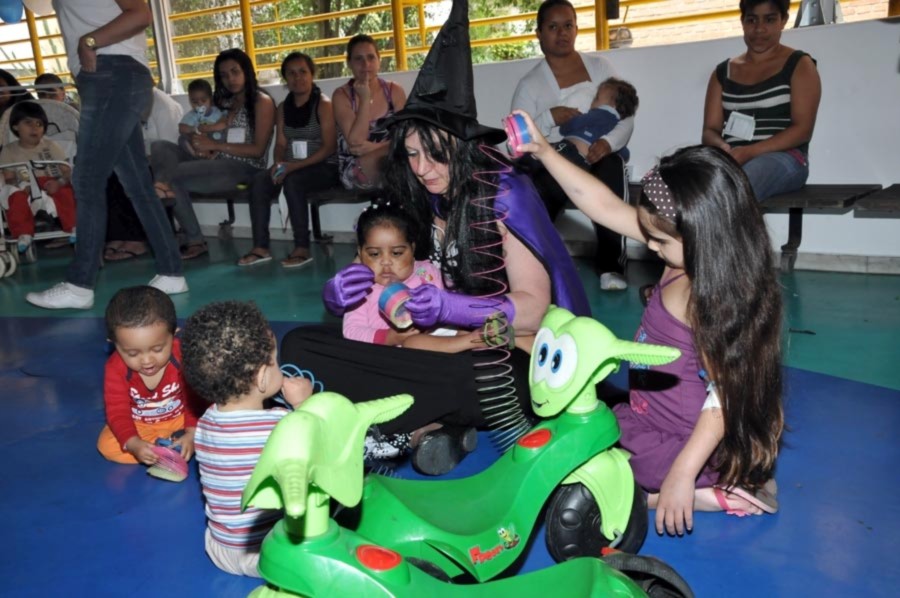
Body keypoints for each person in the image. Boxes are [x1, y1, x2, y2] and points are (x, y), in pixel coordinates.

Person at [282, 0, 589, 476]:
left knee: (479, 377)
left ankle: (392, 427)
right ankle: (425, 426)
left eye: (435, 154)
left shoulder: (505, 193)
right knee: (300, 345)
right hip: (425, 348)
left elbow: (532, 309)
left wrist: (454, 310)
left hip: (509, 354)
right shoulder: (417, 192)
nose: (423, 169)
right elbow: (383, 271)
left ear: (462, 147)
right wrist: (340, 291)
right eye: (411, 155)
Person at [513, 109, 784, 536]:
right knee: (579, 419)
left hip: (684, 440)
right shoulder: (683, 253)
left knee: (596, 459)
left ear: (704, 236)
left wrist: (682, 473)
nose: (650, 247)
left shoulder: (709, 296)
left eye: (659, 240)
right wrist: (545, 151)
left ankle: (689, 493)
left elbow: (727, 395)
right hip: (647, 412)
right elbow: (603, 205)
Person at [26, 0, 187, 310]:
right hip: (105, 77)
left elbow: (140, 13)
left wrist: (89, 42)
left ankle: (79, 285)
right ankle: (171, 272)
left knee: (87, 179)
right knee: (137, 184)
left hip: (113, 72)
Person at [182, 300, 313, 577]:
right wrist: (304, 406)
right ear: (263, 377)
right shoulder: (281, 424)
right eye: (275, 361)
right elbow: (319, 448)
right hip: (271, 552)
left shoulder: (204, 424)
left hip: (221, 548)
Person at [511, 0, 635, 291]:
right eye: (553, 27)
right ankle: (535, 267)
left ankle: (611, 266)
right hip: (556, 157)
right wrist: (549, 118)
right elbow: (516, 143)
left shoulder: (600, 67)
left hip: (598, 152)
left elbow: (626, 117)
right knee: (542, 182)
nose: (562, 33)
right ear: (539, 33)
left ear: (577, 29)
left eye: (568, 25)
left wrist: (607, 143)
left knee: (612, 165)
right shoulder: (529, 84)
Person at [150, 48, 276, 260]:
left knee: (174, 175)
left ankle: (192, 237)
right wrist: (197, 140)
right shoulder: (224, 103)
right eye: (224, 75)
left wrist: (217, 146)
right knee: (160, 147)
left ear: (246, 71)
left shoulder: (261, 101)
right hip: (212, 161)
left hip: (244, 169)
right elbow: (200, 130)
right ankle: (162, 186)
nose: (230, 79)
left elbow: (258, 151)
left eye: (235, 72)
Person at [702, 0, 821, 202]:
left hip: (785, 158)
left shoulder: (800, 64)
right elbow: (709, 130)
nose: (759, 29)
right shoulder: (723, 72)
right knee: (685, 182)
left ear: (783, 20)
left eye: (769, 19)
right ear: (742, 22)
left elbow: (803, 130)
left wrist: (748, 152)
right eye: (752, 20)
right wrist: (724, 149)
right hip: (733, 159)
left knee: (743, 183)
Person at [344, 199, 486, 353]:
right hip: (402, 349)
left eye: (396, 253)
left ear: (412, 249)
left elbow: (451, 302)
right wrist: (390, 337)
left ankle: (476, 338)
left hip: (440, 336)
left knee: (466, 319)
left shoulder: (426, 272)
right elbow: (351, 331)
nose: (386, 262)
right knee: (414, 342)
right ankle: (474, 341)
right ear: (360, 253)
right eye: (374, 254)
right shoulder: (362, 289)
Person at [240, 52, 339, 268]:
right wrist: (278, 164)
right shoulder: (283, 108)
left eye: (302, 71)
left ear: (312, 74)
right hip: (291, 167)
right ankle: (261, 247)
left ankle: (302, 247)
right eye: (291, 73)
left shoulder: (323, 104)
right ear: (286, 78)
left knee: (294, 181)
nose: (297, 77)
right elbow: (281, 144)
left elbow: (329, 147)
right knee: (259, 180)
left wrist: (293, 167)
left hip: (323, 167)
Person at [97, 286, 202, 465]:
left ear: (174, 334)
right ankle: (164, 447)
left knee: (219, 419)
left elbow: (195, 400)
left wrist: (192, 432)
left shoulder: (183, 355)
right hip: (141, 424)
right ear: (114, 343)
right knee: (107, 446)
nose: (146, 361)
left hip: (182, 417)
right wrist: (133, 443)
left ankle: (170, 445)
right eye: (132, 353)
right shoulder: (115, 368)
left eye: (157, 349)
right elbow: (117, 411)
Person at [105, 87, 185, 262]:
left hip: (166, 162)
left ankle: (136, 239)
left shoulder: (164, 107)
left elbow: (168, 148)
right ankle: (119, 235)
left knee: (131, 175)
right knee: (109, 172)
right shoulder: (128, 102)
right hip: (142, 158)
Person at [0, 101, 75, 255]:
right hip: (26, 188)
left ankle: (74, 226)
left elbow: (66, 172)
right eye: (28, 123)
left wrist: (59, 182)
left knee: (67, 191)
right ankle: (23, 233)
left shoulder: (51, 146)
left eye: (39, 124)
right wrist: (22, 187)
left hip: (51, 184)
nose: (35, 128)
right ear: (15, 126)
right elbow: (9, 178)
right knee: (14, 196)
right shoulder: (9, 150)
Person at [332, 34, 407, 189]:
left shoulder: (394, 91)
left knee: (405, 157)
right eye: (358, 59)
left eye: (371, 57)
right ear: (349, 63)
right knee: (391, 164)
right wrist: (365, 99)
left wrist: (374, 148)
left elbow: (407, 137)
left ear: (379, 60)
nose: (365, 64)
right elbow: (356, 142)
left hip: (393, 158)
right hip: (357, 167)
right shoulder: (341, 95)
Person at [557, 77, 638, 167]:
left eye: (596, 98)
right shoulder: (616, 127)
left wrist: (567, 123)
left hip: (569, 152)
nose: (592, 101)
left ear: (612, 105)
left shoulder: (599, 114)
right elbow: (624, 152)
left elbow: (572, 125)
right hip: (583, 164)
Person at [176, 78, 226, 159]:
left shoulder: (217, 112)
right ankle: (195, 154)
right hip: (198, 142)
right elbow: (181, 128)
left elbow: (225, 123)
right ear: (190, 101)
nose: (199, 104)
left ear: (210, 99)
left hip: (214, 140)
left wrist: (208, 128)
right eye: (195, 102)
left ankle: (213, 155)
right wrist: (194, 129)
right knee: (182, 139)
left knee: (224, 135)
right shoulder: (193, 114)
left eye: (203, 100)